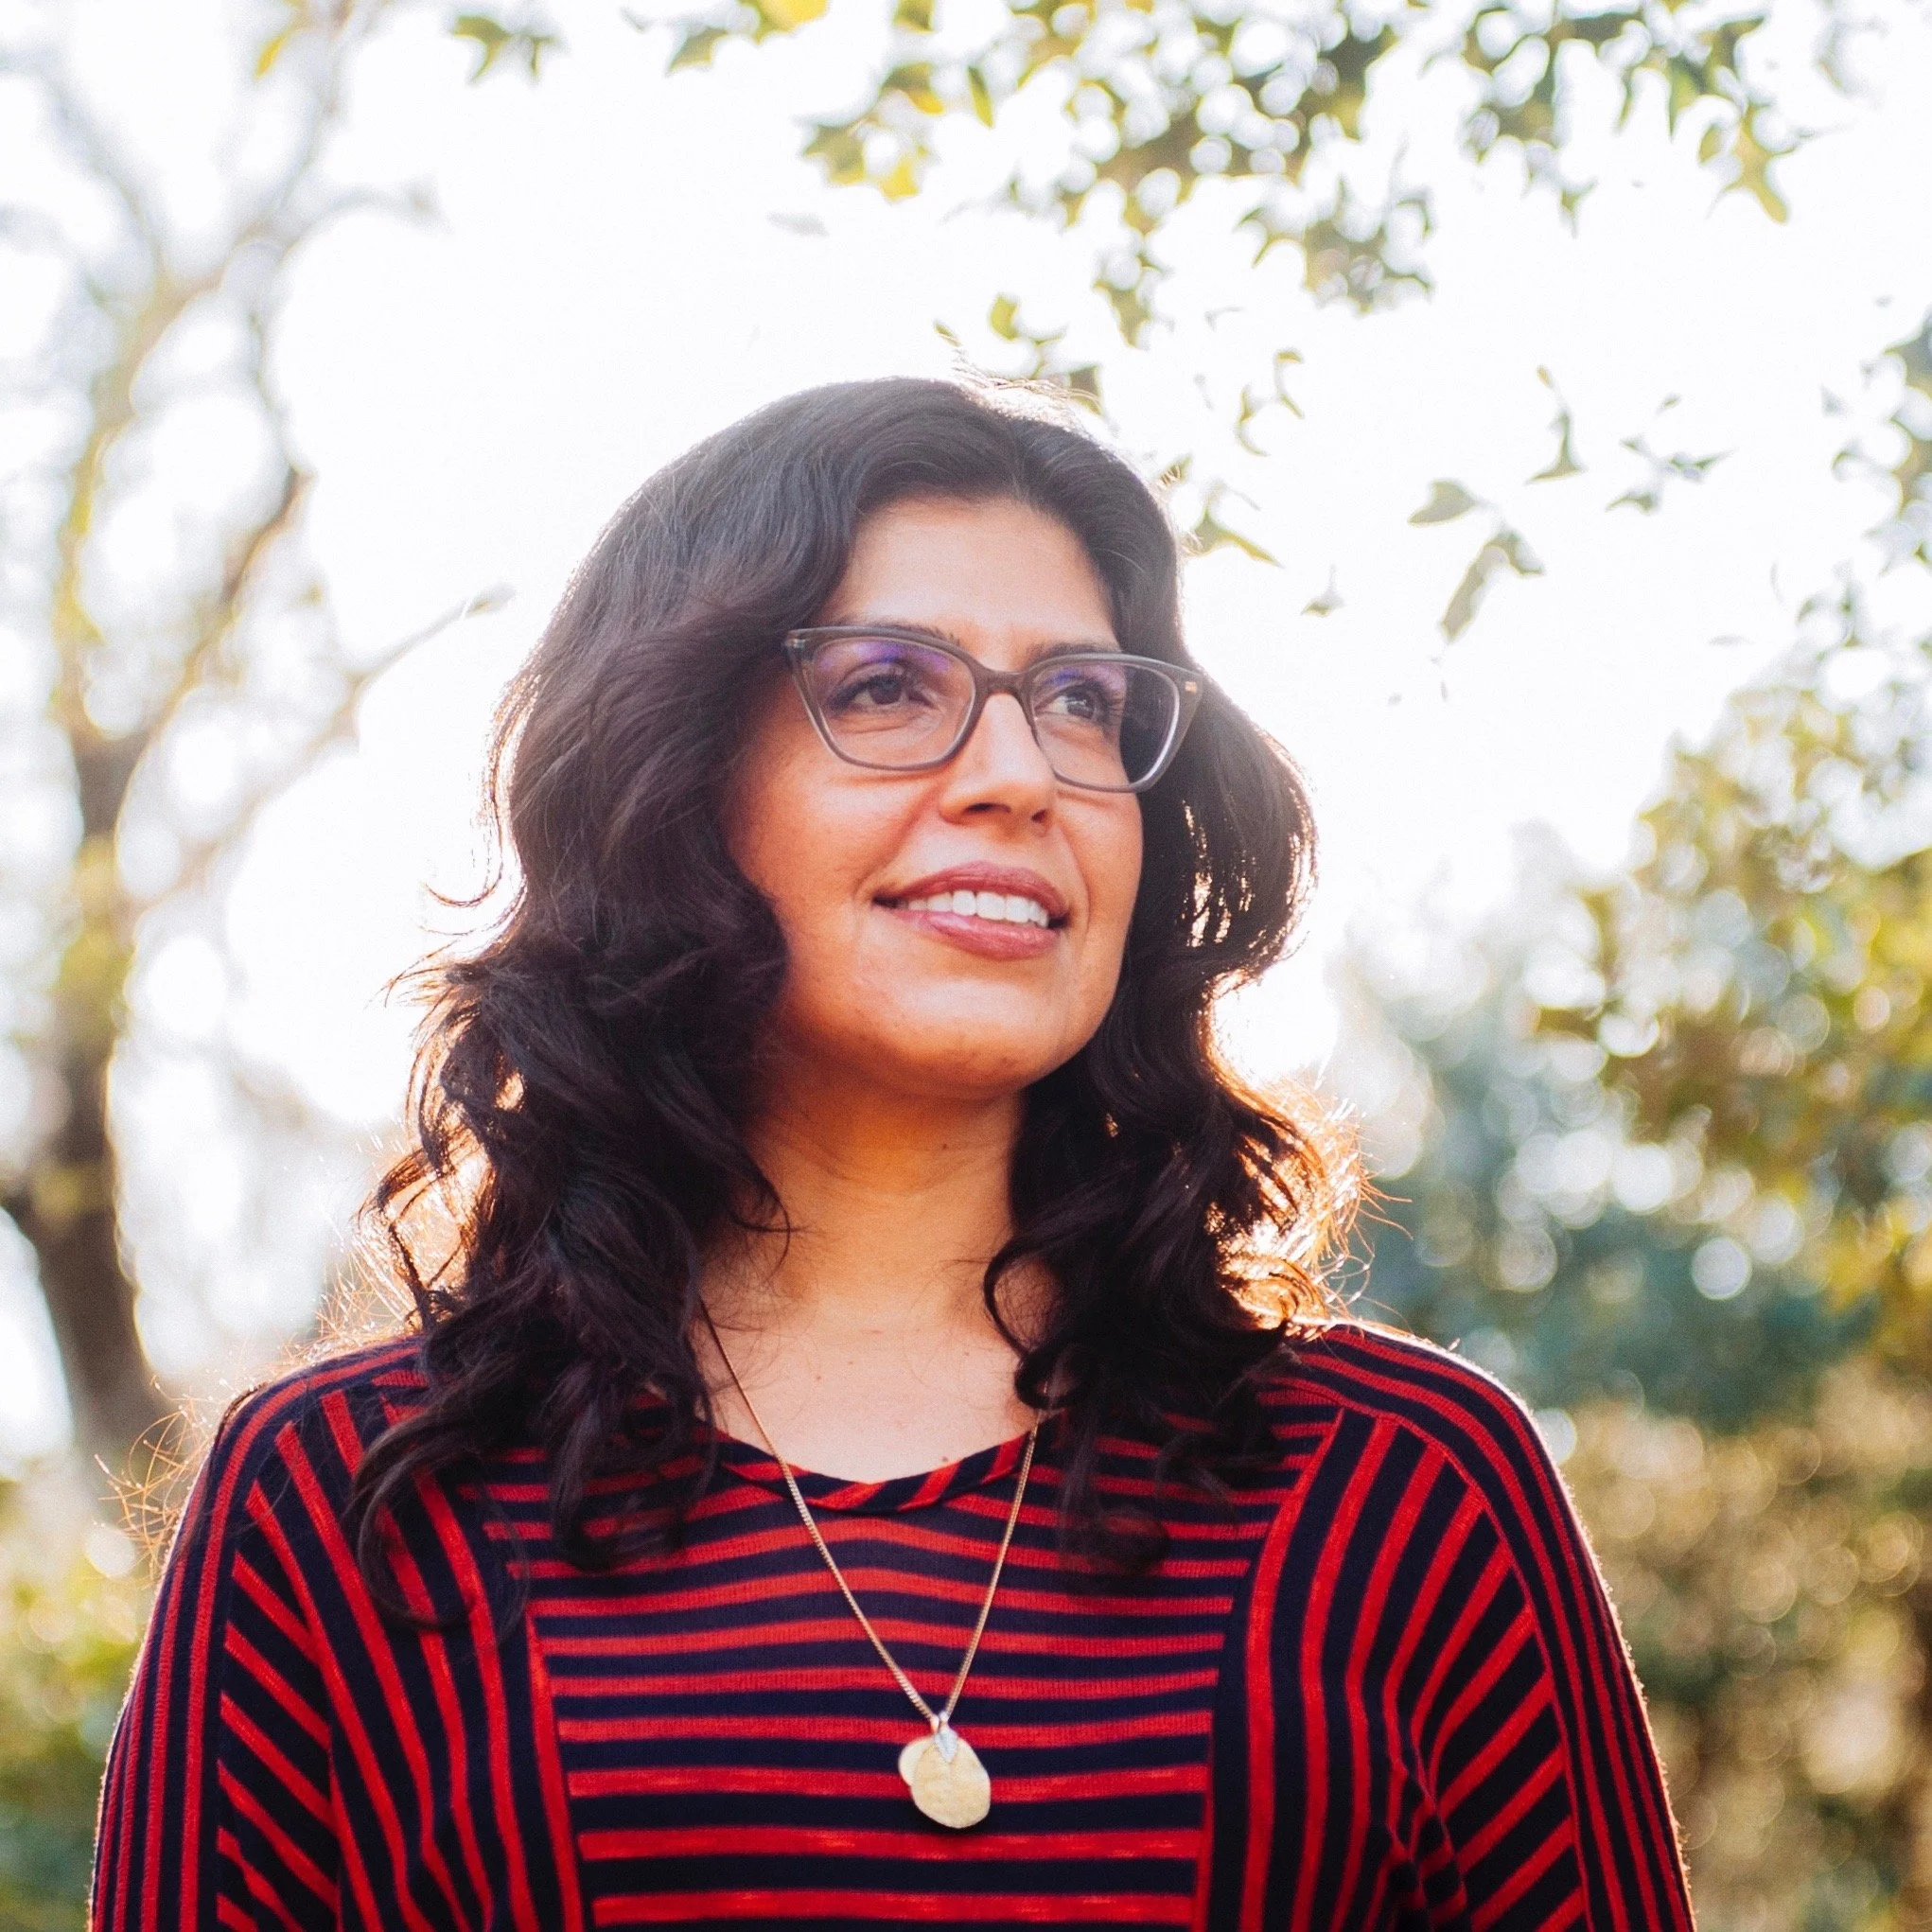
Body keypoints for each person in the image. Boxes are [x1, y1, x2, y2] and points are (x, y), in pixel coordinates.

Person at [92, 378, 1695, 1929]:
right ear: (672, 778)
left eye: (1085, 699)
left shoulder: (1409, 1488)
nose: (1018, 773)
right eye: (885, 688)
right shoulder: (343, 1502)